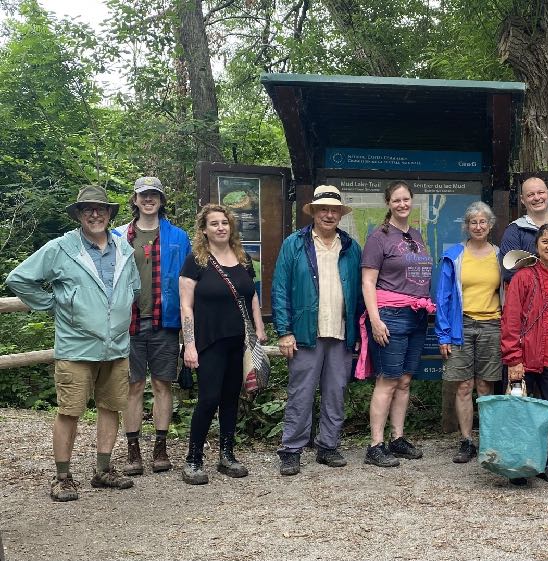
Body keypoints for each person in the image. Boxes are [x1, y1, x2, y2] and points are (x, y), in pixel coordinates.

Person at [6, 185, 140, 501]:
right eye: (87, 209)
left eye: (101, 209)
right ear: (79, 215)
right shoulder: (61, 248)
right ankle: (63, 477)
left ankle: (103, 470)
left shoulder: (124, 249)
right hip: (76, 346)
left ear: (109, 214)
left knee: (111, 407)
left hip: (117, 345)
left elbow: (133, 289)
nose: (95, 214)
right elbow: (19, 278)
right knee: (70, 411)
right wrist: (54, 304)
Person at [272, 185, 362, 476]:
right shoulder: (294, 243)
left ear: (339, 214)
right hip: (304, 332)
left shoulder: (350, 246)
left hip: (341, 331)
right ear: (314, 212)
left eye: (334, 210)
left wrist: (358, 333)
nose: (328, 214)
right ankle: (291, 450)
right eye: (323, 209)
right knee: (301, 392)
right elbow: (280, 288)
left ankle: (328, 446)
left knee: (336, 391)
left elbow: (359, 293)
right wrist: (284, 331)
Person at [179, 204, 266, 485]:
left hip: (237, 341)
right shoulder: (196, 261)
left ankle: (227, 454)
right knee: (208, 399)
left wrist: (259, 328)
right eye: (214, 223)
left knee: (231, 399)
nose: (220, 227)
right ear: (204, 230)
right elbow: (186, 306)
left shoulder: (243, 259)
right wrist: (189, 345)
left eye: (225, 222)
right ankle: (193, 459)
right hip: (209, 341)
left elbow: (251, 296)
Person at [114, 177, 191, 477]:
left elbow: (187, 285)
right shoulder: (119, 236)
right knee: (132, 386)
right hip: (128, 323)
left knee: (162, 385)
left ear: (161, 200)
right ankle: (133, 450)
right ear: (135, 199)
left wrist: (188, 330)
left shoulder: (178, 237)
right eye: (143, 195)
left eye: (154, 195)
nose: (149, 200)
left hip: (165, 322)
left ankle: (160, 447)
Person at [360, 180, 435, 468]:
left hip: (417, 316)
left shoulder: (416, 235)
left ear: (411, 201)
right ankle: (375, 445)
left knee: (404, 381)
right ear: (388, 204)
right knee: (387, 380)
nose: (402, 204)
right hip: (390, 316)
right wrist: (376, 320)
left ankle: (398, 438)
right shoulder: (379, 238)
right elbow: (368, 282)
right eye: (396, 200)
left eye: (406, 199)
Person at [501, 223, 548, 484]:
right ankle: (519, 463)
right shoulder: (523, 277)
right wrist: (513, 359)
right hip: (525, 358)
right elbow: (510, 319)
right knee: (521, 413)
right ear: (537, 246)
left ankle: (547, 461)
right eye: (545, 242)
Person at [436, 202, 502, 464]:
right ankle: (466, 441)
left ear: (490, 225)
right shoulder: (454, 256)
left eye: (483, 222)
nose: (478, 226)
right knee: (463, 386)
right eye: (473, 222)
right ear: (466, 225)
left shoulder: (500, 255)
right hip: (460, 325)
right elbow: (443, 297)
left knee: (486, 385)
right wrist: (443, 334)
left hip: (492, 325)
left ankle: (487, 438)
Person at [499, 176, 548, 283]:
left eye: (541, 192)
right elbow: (509, 272)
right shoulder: (514, 231)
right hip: (529, 296)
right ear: (522, 200)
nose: (537, 198)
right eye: (530, 195)